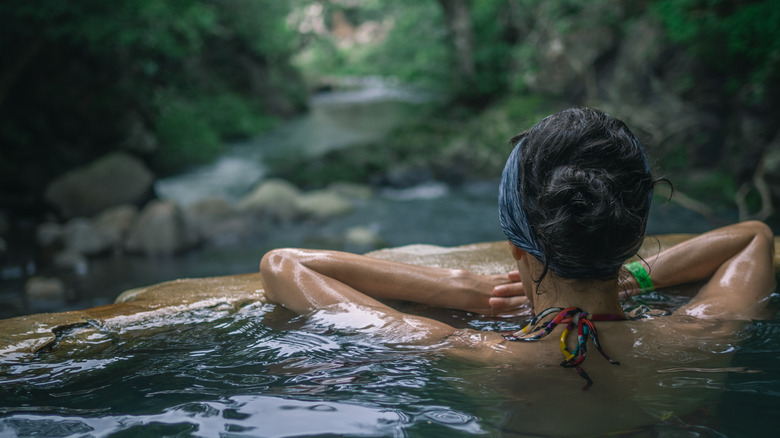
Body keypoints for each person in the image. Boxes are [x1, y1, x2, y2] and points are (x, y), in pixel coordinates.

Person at [259, 108, 775, 429]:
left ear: (516, 248)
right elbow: (752, 236)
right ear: (632, 233)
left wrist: (464, 288)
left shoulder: (474, 356)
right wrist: (630, 275)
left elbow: (283, 266)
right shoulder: (701, 335)